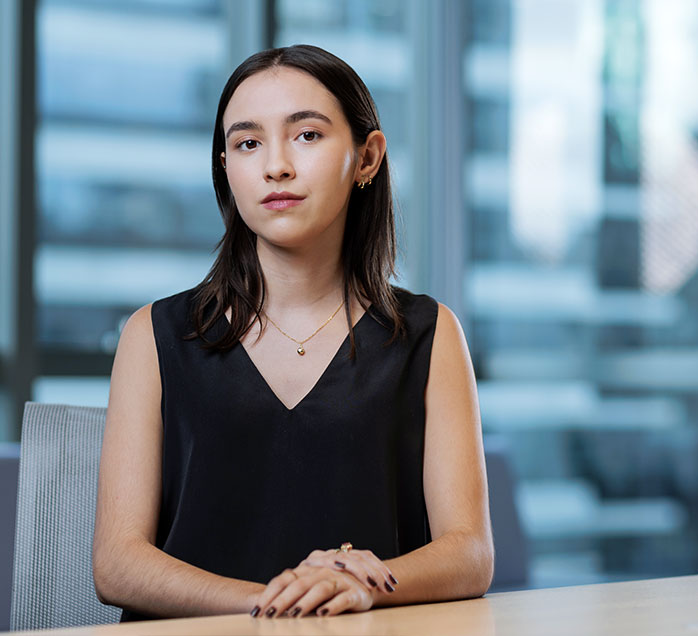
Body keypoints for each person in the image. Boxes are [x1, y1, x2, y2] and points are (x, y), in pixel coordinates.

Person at [92, 44, 493, 621]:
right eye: (247, 143)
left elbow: (471, 554)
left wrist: (366, 586)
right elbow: (118, 564)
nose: (275, 165)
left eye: (307, 135)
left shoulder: (429, 333)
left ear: (368, 158)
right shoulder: (153, 335)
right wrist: (277, 604)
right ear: (225, 168)